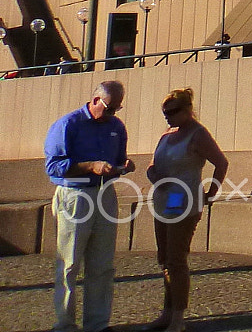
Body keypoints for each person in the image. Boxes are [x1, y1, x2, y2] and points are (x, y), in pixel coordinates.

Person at [44, 80, 133, 332]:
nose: (113, 114)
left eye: (117, 109)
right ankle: (65, 323)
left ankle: (97, 324)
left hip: (104, 192)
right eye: (109, 108)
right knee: (69, 261)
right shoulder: (68, 125)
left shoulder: (116, 126)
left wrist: (123, 165)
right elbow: (53, 167)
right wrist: (89, 166)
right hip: (75, 194)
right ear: (95, 101)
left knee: (102, 263)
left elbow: (117, 158)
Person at [143, 88, 228, 332]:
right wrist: (153, 174)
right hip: (163, 197)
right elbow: (152, 163)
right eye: (164, 113)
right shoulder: (167, 135)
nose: (168, 116)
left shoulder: (198, 135)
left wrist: (210, 192)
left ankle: (178, 317)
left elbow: (221, 162)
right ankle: (167, 312)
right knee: (164, 258)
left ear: (187, 110)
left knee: (176, 259)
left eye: (172, 112)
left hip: (184, 197)